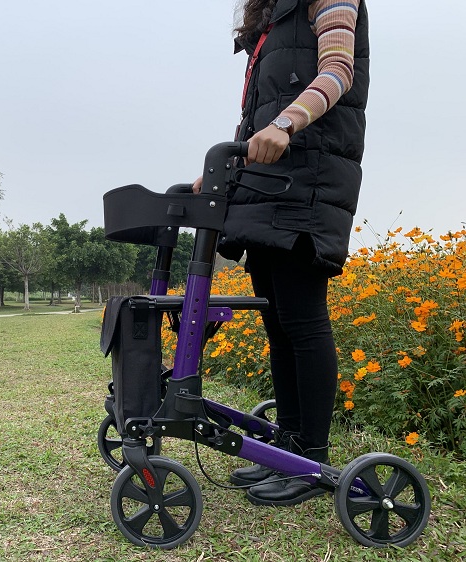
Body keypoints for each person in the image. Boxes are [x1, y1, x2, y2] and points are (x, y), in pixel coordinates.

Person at [195, 0, 369, 506]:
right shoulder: (273, 18)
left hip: (308, 178)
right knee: (277, 321)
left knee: (302, 318)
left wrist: (288, 124)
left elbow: (338, 71)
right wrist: (217, 171)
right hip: (267, 182)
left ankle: (311, 458)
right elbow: (254, 115)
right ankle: (289, 448)